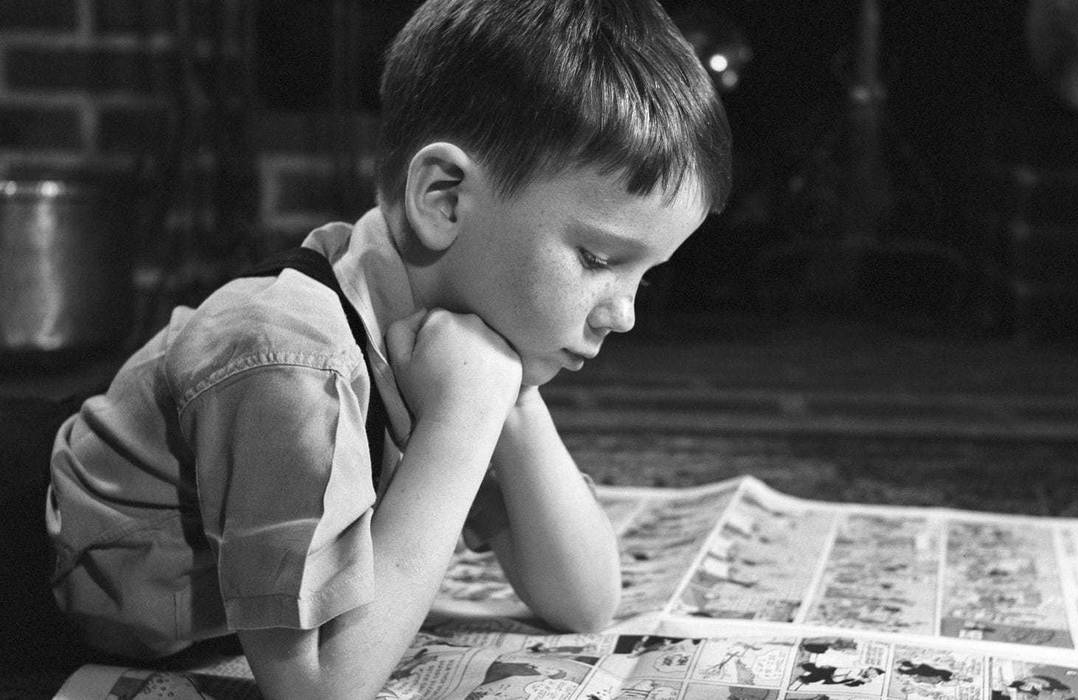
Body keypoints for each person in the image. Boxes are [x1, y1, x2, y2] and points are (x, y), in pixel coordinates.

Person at [40, 1, 733, 698]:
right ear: (444, 198)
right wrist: (462, 420)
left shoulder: (455, 337)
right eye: (596, 257)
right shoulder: (291, 355)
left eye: (647, 272)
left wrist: (510, 403)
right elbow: (319, 689)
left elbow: (583, 601)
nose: (624, 314)